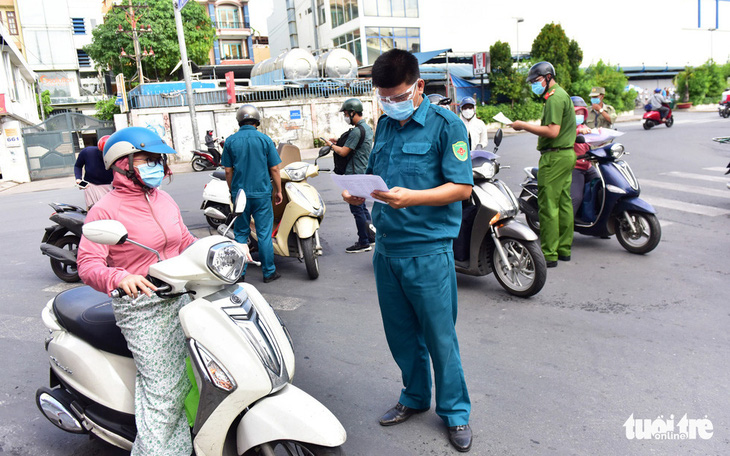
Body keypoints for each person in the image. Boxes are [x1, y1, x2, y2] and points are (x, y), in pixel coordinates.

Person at [342, 49, 474, 452]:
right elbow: (379, 178)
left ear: (418, 86)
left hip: (429, 250)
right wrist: (358, 194)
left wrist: (412, 198)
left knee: (440, 338)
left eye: (397, 96)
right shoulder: (383, 125)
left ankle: (455, 412)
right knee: (401, 335)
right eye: (384, 96)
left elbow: (462, 188)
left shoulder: (446, 126)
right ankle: (415, 397)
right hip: (387, 249)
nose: (391, 103)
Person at [77, 127, 197, 455]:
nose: (155, 165)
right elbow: (88, 265)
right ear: (122, 163)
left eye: (157, 159)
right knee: (164, 394)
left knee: (202, 374)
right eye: (146, 159)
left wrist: (218, 249)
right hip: (142, 305)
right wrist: (118, 278)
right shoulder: (106, 209)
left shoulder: (165, 199)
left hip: (184, 295)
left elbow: (185, 241)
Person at [509, 61, 576, 268]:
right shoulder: (562, 95)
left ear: (548, 77)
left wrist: (523, 126)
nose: (534, 85)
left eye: (536, 81)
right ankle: (564, 248)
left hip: (554, 157)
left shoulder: (555, 98)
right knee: (564, 202)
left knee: (548, 205)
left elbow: (553, 131)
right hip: (566, 155)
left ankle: (549, 253)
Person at [222, 104, 282, 283]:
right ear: (257, 121)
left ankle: (239, 274)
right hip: (262, 194)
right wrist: (278, 190)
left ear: (239, 121)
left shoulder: (231, 141)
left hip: (240, 195)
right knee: (264, 234)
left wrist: (233, 191)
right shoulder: (265, 140)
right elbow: (275, 169)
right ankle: (269, 272)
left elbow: (227, 171)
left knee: (240, 234)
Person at [324, 98, 375, 253]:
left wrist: (331, 145)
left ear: (353, 112)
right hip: (363, 171)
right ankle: (371, 236)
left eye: (346, 113)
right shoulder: (367, 128)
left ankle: (363, 241)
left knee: (357, 208)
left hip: (354, 174)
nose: (346, 117)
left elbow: (344, 151)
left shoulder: (357, 130)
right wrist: (338, 142)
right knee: (362, 206)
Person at [570, 96, 601, 218]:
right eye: (576, 112)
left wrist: (600, 136)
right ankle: (565, 229)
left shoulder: (584, 127)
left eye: (581, 112)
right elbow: (562, 138)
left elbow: (591, 143)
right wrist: (577, 132)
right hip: (575, 168)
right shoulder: (564, 128)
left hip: (588, 166)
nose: (579, 115)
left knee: (602, 189)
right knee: (576, 198)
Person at [74, 135, 113, 208]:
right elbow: (78, 166)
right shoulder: (87, 152)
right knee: (93, 210)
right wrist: (78, 179)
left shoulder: (118, 158)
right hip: (91, 186)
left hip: (110, 186)